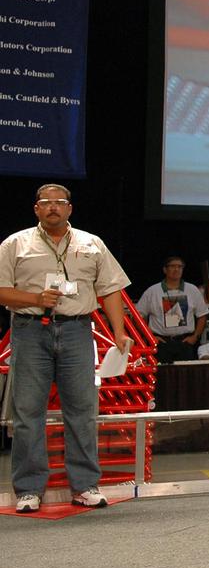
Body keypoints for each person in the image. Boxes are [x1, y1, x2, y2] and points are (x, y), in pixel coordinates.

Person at [0, 184, 130, 514]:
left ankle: (85, 485)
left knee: (83, 411)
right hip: (30, 331)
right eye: (46, 203)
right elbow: (2, 291)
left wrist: (119, 332)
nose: (53, 207)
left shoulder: (92, 244)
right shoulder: (15, 244)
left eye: (60, 203)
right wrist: (35, 299)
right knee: (28, 413)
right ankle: (29, 489)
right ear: (36, 209)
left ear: (70, 209)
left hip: (77, 330)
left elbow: (111, 289)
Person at [136, 256, 208, 363]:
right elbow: (137, 317)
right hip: (161, 343)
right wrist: (150, 336)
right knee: (161, 376)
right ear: (165, 270)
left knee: (185, 376)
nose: (176, 269)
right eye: (173, 266)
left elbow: (202, 315)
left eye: (180, 267)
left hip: (185, 342)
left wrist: (195, 336)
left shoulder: (192, 290)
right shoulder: (152, 291)